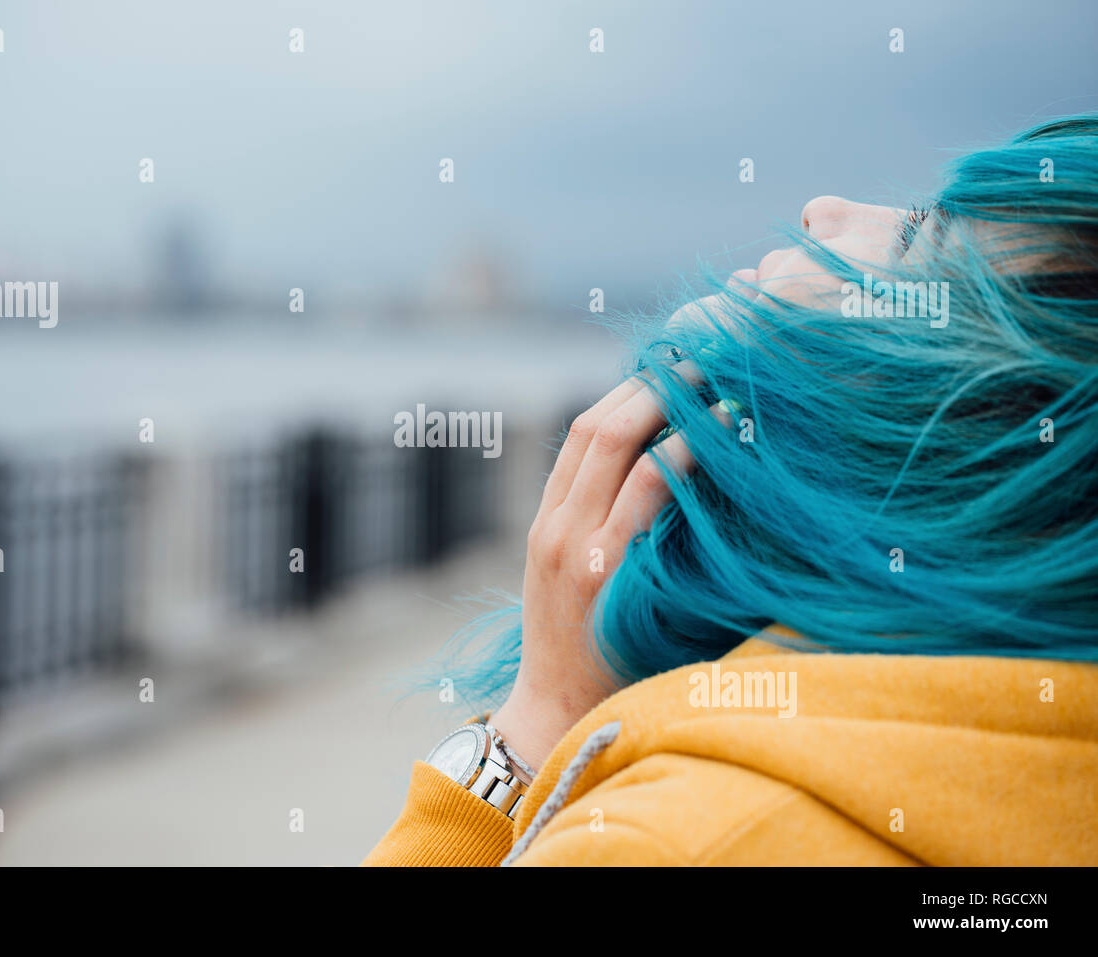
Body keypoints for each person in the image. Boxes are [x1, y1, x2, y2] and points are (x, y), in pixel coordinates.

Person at [364, 115, 1098, 866]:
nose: (825, 209)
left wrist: (529, 729)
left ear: (961, 439)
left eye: (916, 238)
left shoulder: (672, 838)